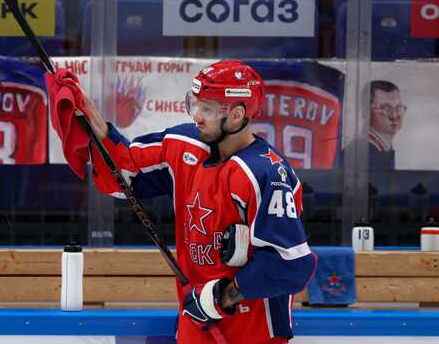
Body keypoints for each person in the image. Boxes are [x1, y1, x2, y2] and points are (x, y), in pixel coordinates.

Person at [84, 60, 315, 344]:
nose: (197, 115)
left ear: (236, 115)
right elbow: (124, 174)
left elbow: (291, 264)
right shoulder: (184, 145)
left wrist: (222, 296)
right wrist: (93, 125)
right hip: (196, 325)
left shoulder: (266, 173)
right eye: (195, 104)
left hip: (253, 331)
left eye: (207, 108)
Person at [368, 80, 406, 170]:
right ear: (367, 112)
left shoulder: (383, 150)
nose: (394, 115)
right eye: (386, 109)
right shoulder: (361, 154)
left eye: (398, 108)